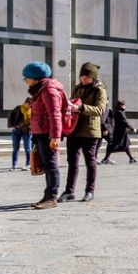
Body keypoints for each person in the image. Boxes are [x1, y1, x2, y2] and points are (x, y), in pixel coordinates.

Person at [59, 62, 107, 203]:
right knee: (72, 161)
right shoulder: (77, 88)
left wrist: (80, 108)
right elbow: (72, 103)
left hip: (90, 131)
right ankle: (69, 191)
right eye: (81, 77)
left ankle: (90, 191)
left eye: (86, 77)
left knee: (90, 161)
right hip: (74, 129)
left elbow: (100, 110)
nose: (83, 79)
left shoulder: (100, 90)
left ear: (93, 77)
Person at [23, 62, 65, 209]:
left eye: (26, 78)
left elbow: (55, 114)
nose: (25, 81)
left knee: (51, 165)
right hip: (40, 132)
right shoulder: (40, 89)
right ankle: (47, 196)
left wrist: (55, 136)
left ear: (35, 77)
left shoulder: (49, 90)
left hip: (48, 133)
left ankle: (52, 197)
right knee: (47, 166)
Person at [102, 100, 137, 165]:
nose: (125, 106)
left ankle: (131, 158)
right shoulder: (119, 112)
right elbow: (124, 122)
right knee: (114, 145)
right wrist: (132, 128)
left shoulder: (121, 112)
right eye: (124, 105)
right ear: (121, 105)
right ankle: (105, 158)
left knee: (126, 145)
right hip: (120, 133)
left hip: (123, 132)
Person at [7, 96, 32, 171]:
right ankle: (13, 166)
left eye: (31, 105)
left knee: (27, 148)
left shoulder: (32, 110)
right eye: (29, 104)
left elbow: (34, 120)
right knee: (15, 149)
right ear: (26, 102)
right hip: (17, 130)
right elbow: (10, 116)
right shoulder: (18, 108)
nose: (29, 106)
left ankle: (28, 164)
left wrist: (31, 127)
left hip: (27, 131)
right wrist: (13, 126)